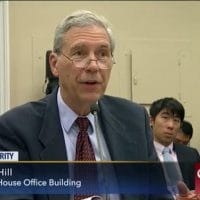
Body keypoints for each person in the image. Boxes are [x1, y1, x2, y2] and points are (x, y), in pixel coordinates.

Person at [0, 10, 197, 200]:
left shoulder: (134, 120)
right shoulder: (14, 129)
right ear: (54, 64)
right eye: (79, 53)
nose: (93, 65)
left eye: (103, 54)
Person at [149, 97, 200, 198]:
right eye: (165, 118)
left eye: (176, 120)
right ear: (151, 121)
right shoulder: (140, 154)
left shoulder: (191, 154)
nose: (171, 125)